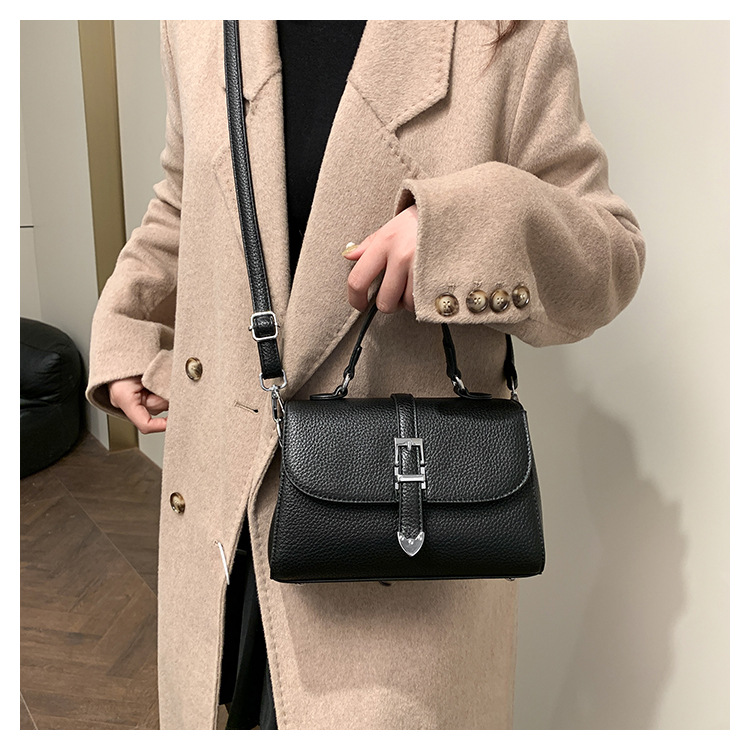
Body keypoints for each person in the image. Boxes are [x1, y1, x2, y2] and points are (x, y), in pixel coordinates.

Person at [86, 20, 645, 730]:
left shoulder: (505, 33)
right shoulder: (198, 24)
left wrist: (460, 228)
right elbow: (184, 192)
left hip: (398, 554)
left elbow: (611, 256)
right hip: (223, 526)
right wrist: (126, 329)